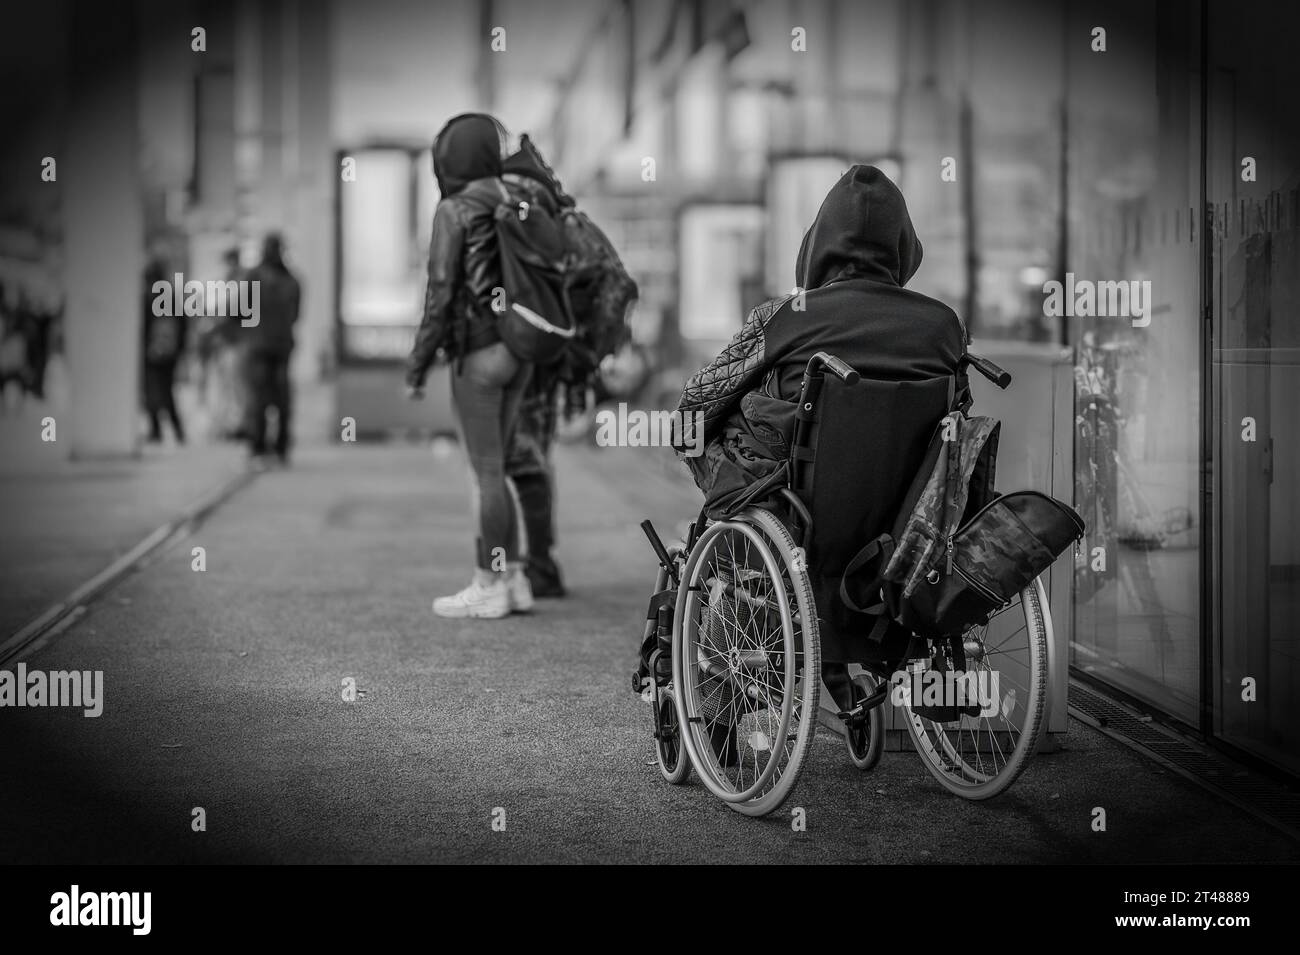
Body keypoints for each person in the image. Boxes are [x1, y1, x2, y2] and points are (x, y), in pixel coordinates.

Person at [666, 164, 968, 712]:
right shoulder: (943, 327)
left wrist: (707, 450)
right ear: (905, 247)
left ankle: (735, 604)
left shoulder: (786, 316)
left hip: (798, 512)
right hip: (906, 520)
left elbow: (693, 408)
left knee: (701, 439)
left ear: (817, 244)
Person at [406, 113, 534, 620]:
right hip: (521, 348)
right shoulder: (516, 198)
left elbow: (440, 295)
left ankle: (488, 582)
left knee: (486, 472)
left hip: (478, 353)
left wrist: (418, 364)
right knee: (499, 469)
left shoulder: (454, 209)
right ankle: (517, 577)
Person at [243, 234, 300, 466]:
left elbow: (241, 311)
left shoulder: (253, 278)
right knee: (282, 396)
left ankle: (258, 446)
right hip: (282, 345)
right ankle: (281, 447)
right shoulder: (292, 280)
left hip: (258, 345)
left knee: (258, 397)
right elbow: (296, 315)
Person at [142, 249, 187, 444]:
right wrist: (180, 348)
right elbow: (183, 322)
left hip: (151, 350)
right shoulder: (171, 295)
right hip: (170, 351)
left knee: (151, 389)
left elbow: (142, 325)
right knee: (167, 390)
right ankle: (177, 429)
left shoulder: (146, 297)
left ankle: (156, 429)